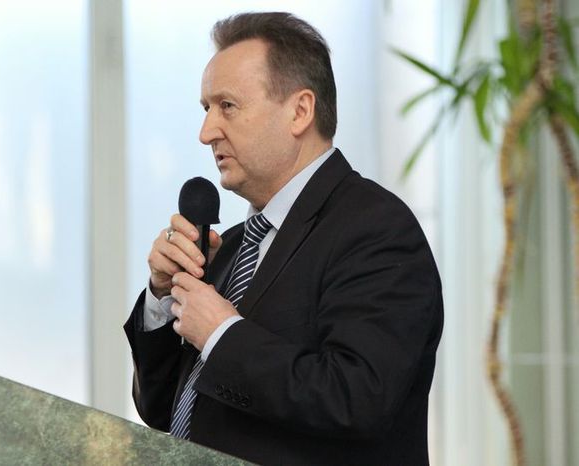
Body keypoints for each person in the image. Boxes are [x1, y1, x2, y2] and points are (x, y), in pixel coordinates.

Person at [124, 12, 443, 465]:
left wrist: (222, 334)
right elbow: (163, 411)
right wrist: (161, 297)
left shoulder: (377, 229)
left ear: (300, 111)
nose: (206, 132)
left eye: (227, 106)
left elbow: (357, 399)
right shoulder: (230, 247)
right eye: (205, 109)